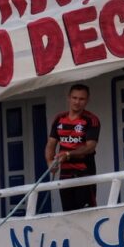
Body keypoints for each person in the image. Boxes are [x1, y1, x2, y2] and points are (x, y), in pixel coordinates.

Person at [45, 84, 100, 212]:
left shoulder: (91, 120)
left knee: (87, 214)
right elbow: (50, 144)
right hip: (65, 175)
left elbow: (90, 147)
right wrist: (49, 162)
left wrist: (68, 154)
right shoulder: (59, 119)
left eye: (81, 99)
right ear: (68, 98)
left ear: (87, 100)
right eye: (74, 98)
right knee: (68, 214)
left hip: (85, 173)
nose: (77, 102)